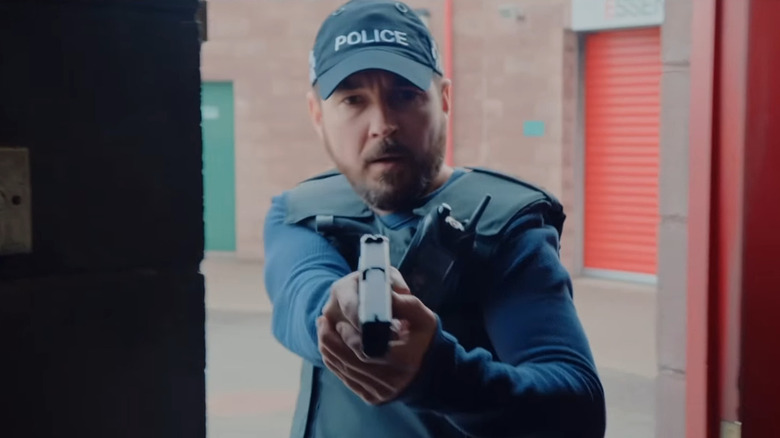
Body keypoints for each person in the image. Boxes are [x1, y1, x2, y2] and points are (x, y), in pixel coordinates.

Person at [263, 0, 606, 436]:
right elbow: (301, 293)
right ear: (317, 114)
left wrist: (440, 374)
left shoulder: (507, 227)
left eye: (404, 95)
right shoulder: (300, 213)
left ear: (443, 99)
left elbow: (577, 408)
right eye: (352, 100)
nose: (382, 124)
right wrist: (338, 317)